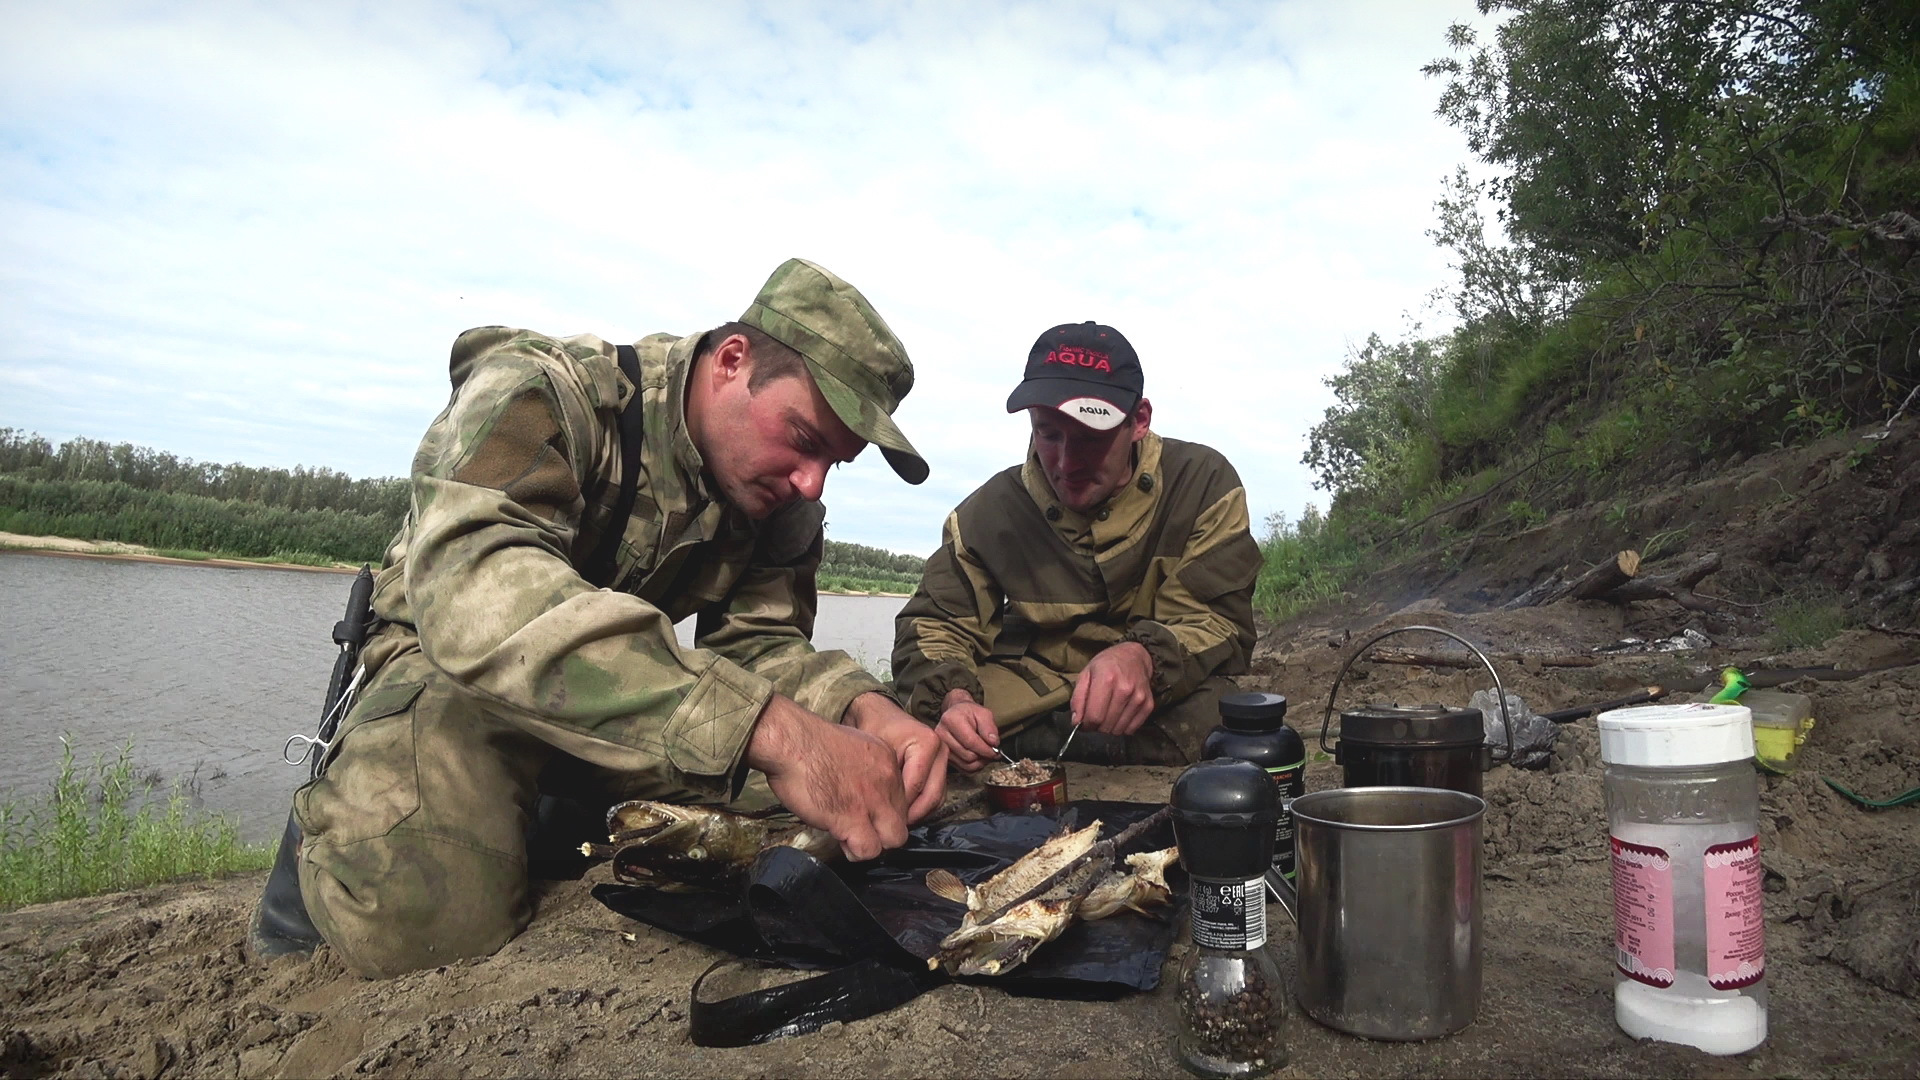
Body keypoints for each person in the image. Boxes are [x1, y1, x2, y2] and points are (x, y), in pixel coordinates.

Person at [249, 258, 947, 978]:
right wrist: (772, 729)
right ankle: (323, 844)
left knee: (823, 812)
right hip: (452, 676)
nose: (812, 482)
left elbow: (760, 644)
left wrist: (860, 710)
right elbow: (475, 593)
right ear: (732, 362)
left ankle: (547, 814)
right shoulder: (546, 388)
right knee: (423, 928)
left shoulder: (780, 501)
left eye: (837, 462)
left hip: (619, 700)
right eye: (804, 439)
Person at [892, 321, 1261, 769]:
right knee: (920, 723)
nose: (1067, 462)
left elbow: (1218, 623)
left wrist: (1142, 658)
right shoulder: (988, 513)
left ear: (1139, 420)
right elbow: (934, 626)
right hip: (1030, 693)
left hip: (1158, 696)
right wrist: (953, 701)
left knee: (1219, 715)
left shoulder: (1204, 484)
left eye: (1091, 438)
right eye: (1049, 434)